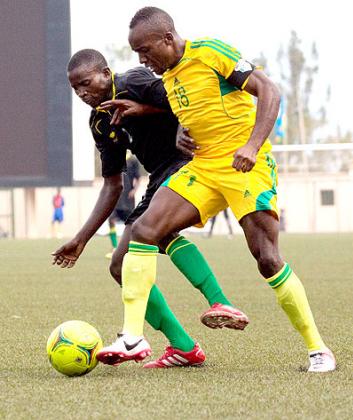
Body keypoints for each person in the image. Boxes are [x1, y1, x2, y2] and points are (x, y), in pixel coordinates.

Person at [98, 7, 336, 373]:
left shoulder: (209, 52)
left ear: (167, 38)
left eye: (145, 51)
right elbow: (189, 110)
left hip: (246, 166)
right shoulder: (169, 77)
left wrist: (252, 146)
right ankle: (132, 335)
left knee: (268, 259)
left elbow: (268, 90)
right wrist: (162, 122)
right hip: (204, 169)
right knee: (144, 230)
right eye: (136, 55)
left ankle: (318, 349)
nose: (143, 60)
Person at [52, 49, 248, 369]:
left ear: (105, 72)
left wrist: (141, 109)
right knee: (119, 265)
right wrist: (81, 239)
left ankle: (220, 302)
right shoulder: (100, 121)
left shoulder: (136, 80)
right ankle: (183, 346)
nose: (82, 93)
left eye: (86, 83)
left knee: (158, 230)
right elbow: (113, 184)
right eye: (75, 88)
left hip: (189, 164)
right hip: (159, 178)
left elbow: (182, 104)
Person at [106, 153, 141, 259]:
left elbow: (138, 177)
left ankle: (131, 247)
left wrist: (134, 190)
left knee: (131, 223)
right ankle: (114, 247)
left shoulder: (133, 160)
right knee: (111, 220)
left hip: (128, 198)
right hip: (115, 197)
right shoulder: (114, 157)